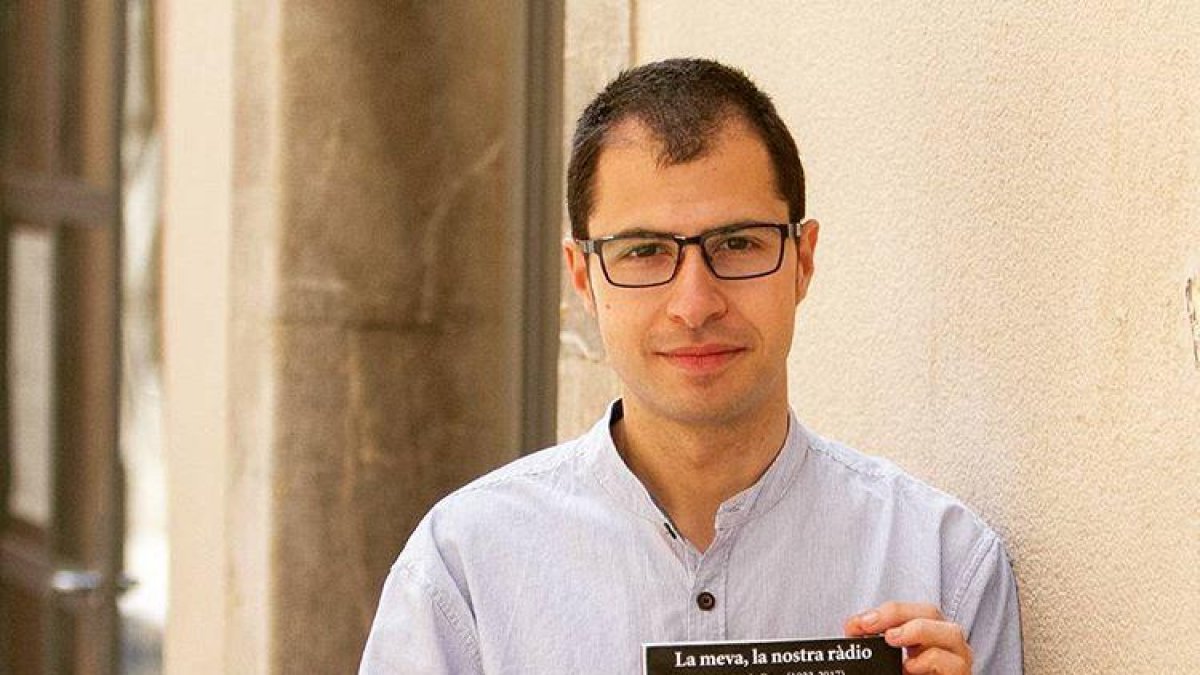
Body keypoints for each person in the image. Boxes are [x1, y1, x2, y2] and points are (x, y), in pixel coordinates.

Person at [359, 58, 1022, 675]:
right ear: (583, 278)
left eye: (737, 243)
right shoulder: (463, 569)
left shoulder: (946, 564)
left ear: (804, 259)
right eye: (645, 250)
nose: (694, 304)